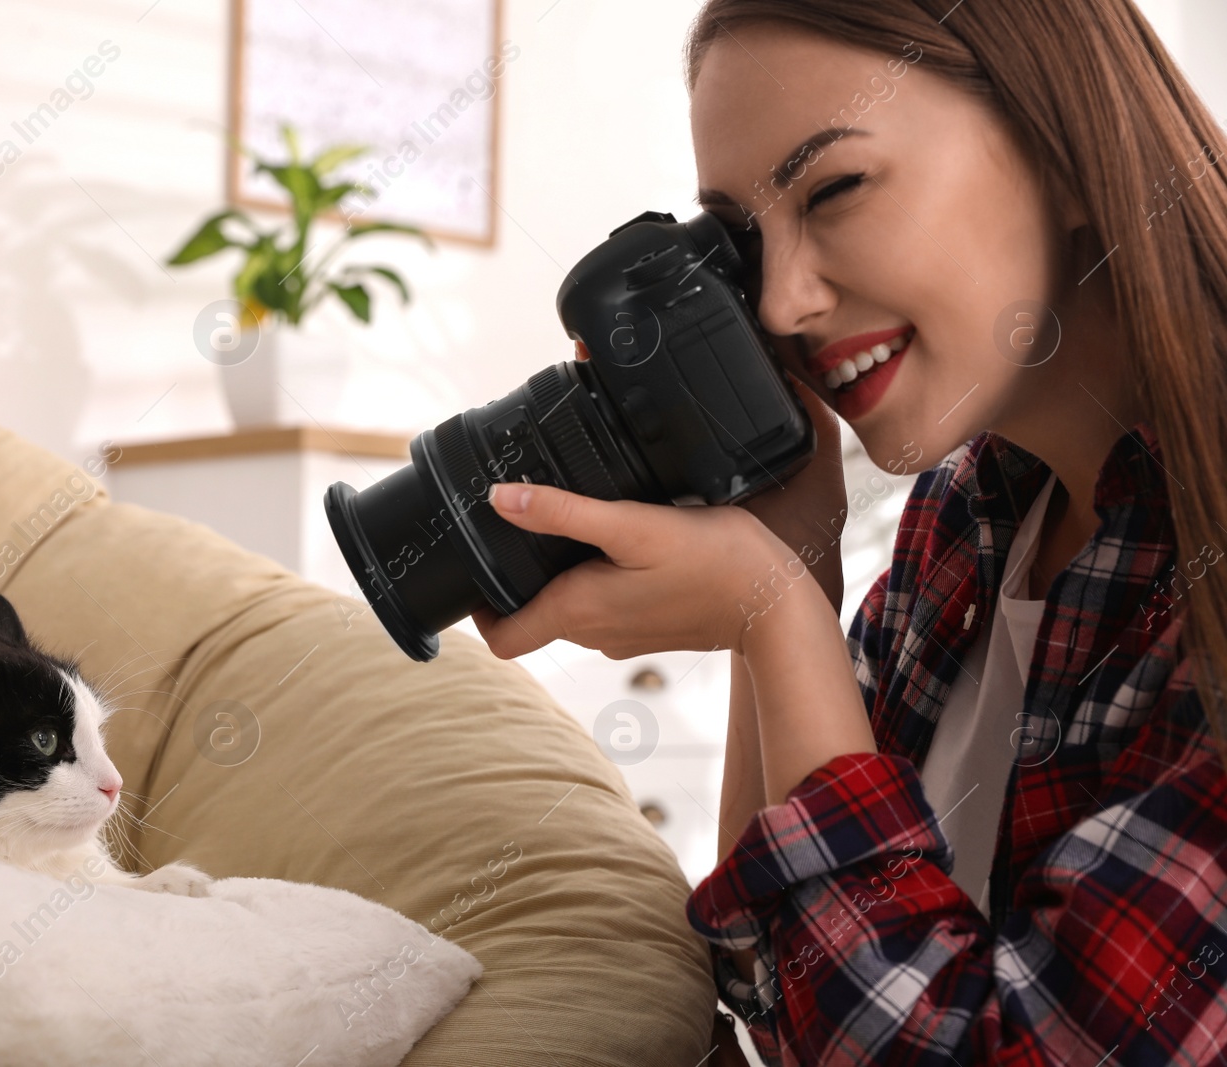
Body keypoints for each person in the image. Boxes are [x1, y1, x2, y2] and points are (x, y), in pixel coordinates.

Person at [469, 1, 1227, 1063]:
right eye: (741, 245)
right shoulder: (968, 522)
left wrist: (775, 616)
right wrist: (784, 581)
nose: (780, 303)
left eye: (834, 189)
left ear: (1060, 147)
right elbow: (783, 1000)